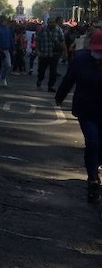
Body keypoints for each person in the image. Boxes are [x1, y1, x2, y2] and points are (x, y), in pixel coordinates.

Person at [55, 30, 102, 204]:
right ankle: (93, 180)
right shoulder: (81, 60)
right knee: (92, 142)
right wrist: (60, 96)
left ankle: (95, 164)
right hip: (87, 110)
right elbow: (69, 80)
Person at [35, 16, 66, 92]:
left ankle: (51, 86)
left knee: (53, 71)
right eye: (50, 23)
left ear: (55, 23)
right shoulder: (42, 30)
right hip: (44, 54)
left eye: (52, 22)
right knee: (41, 70)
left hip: (54, 54)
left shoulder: (59, 30)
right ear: (47, 23)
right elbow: (37, 41)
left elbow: (62, 41)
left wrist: (64, 51)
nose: (51, 24)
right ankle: (40, 79)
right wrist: (38, 51)